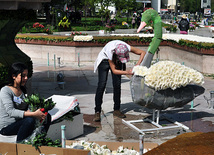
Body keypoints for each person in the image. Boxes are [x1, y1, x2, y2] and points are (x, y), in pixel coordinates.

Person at [93, 40, 146, 122]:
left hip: (116, 60)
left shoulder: (126, 47)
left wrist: (137, 64)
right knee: (102, 84)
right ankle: (97, 111)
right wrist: (127, 72)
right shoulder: (110, 52)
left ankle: (117, 109)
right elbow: (114, 71)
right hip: (104, 61)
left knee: (117, 85)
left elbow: (143, 52)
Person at [0, 62, 51, 142]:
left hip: (20, 122)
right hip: (7, 127)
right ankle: (21, 145)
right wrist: (33, 114)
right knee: (29, 120)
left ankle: (39, 140)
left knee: (47, 116)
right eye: (23, 76)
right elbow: (11, 112)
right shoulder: (5, 90)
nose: (26, 78)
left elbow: (26, 109)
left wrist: (38, 111)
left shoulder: (22, 90)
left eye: (27, 75)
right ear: (14, 76)